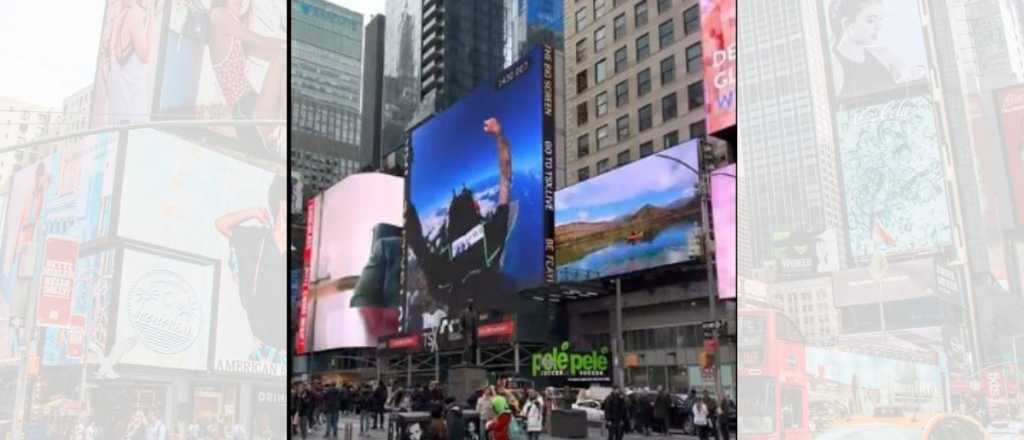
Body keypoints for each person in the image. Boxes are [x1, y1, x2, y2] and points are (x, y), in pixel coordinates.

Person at [405, 117, 515, 328]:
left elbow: (418, 246)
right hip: (496, 324)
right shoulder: (490, 233)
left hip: (456, 331)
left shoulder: (444, 255)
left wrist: (407, 207)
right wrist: (499, 135)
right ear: (475, 208)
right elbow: (505, 175)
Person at [215, 176, 286, 363]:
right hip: (266, 351)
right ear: (281, 203)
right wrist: (253, 212)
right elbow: (221, 225)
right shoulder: (257, 239)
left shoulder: (297, 246)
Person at [208, 0, 286, 151]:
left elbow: (266, 50)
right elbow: (263, 42)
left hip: (251, 106)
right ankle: (282, 128)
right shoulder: (219, 15)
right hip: (245, 111)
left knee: (284, 57)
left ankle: (282, 128)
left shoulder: (237, 27)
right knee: (283, 55)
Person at [829, 0, 908, 97]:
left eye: (880, 19)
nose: (879, 26)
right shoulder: (833, 66)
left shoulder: (884, 55)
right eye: (870, 21)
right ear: (846, 24)